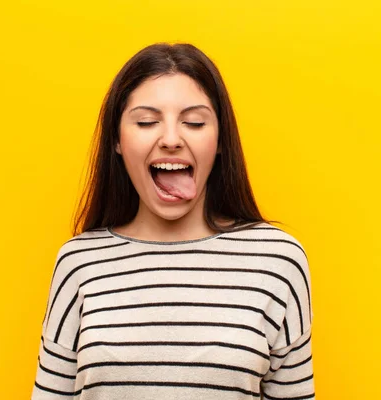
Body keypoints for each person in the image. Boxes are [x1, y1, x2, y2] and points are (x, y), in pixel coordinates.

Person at [31, 42, 315, 400]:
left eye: (194, 122)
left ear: (220, 140)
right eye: (147, 122)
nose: (170, 139)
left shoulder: (278, 260)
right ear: (117, 140)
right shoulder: (79, 263)